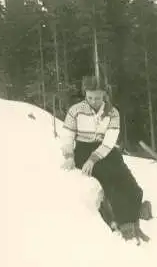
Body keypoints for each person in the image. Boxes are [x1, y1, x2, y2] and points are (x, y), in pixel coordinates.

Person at [61, 75, 150, 242]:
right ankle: (124, 224)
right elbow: (67, 135)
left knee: (128, 181)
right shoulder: (75, 110)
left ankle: (136, 213)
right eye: (90, 97)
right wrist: (69, 156)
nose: (93, 101)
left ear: (104, 95)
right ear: (85, 94)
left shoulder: (112, 112)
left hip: (105, 150)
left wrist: (94, 158)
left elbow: (110, 140)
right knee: (109, 180)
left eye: (98, 97)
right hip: (83, 150)